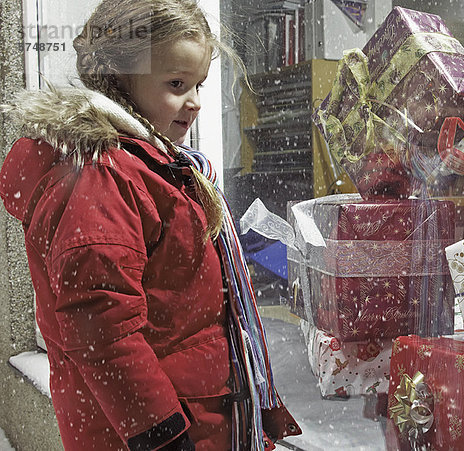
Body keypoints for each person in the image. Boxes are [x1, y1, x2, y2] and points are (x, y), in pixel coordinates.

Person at [0, 0, 300, 449]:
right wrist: (160, 432)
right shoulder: (104, 177)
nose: (195, 102)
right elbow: (101, 320)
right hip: (156, 430)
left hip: (194, 413)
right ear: (119, 78)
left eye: (198, 83)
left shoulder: (155, 165)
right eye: (176, 84)